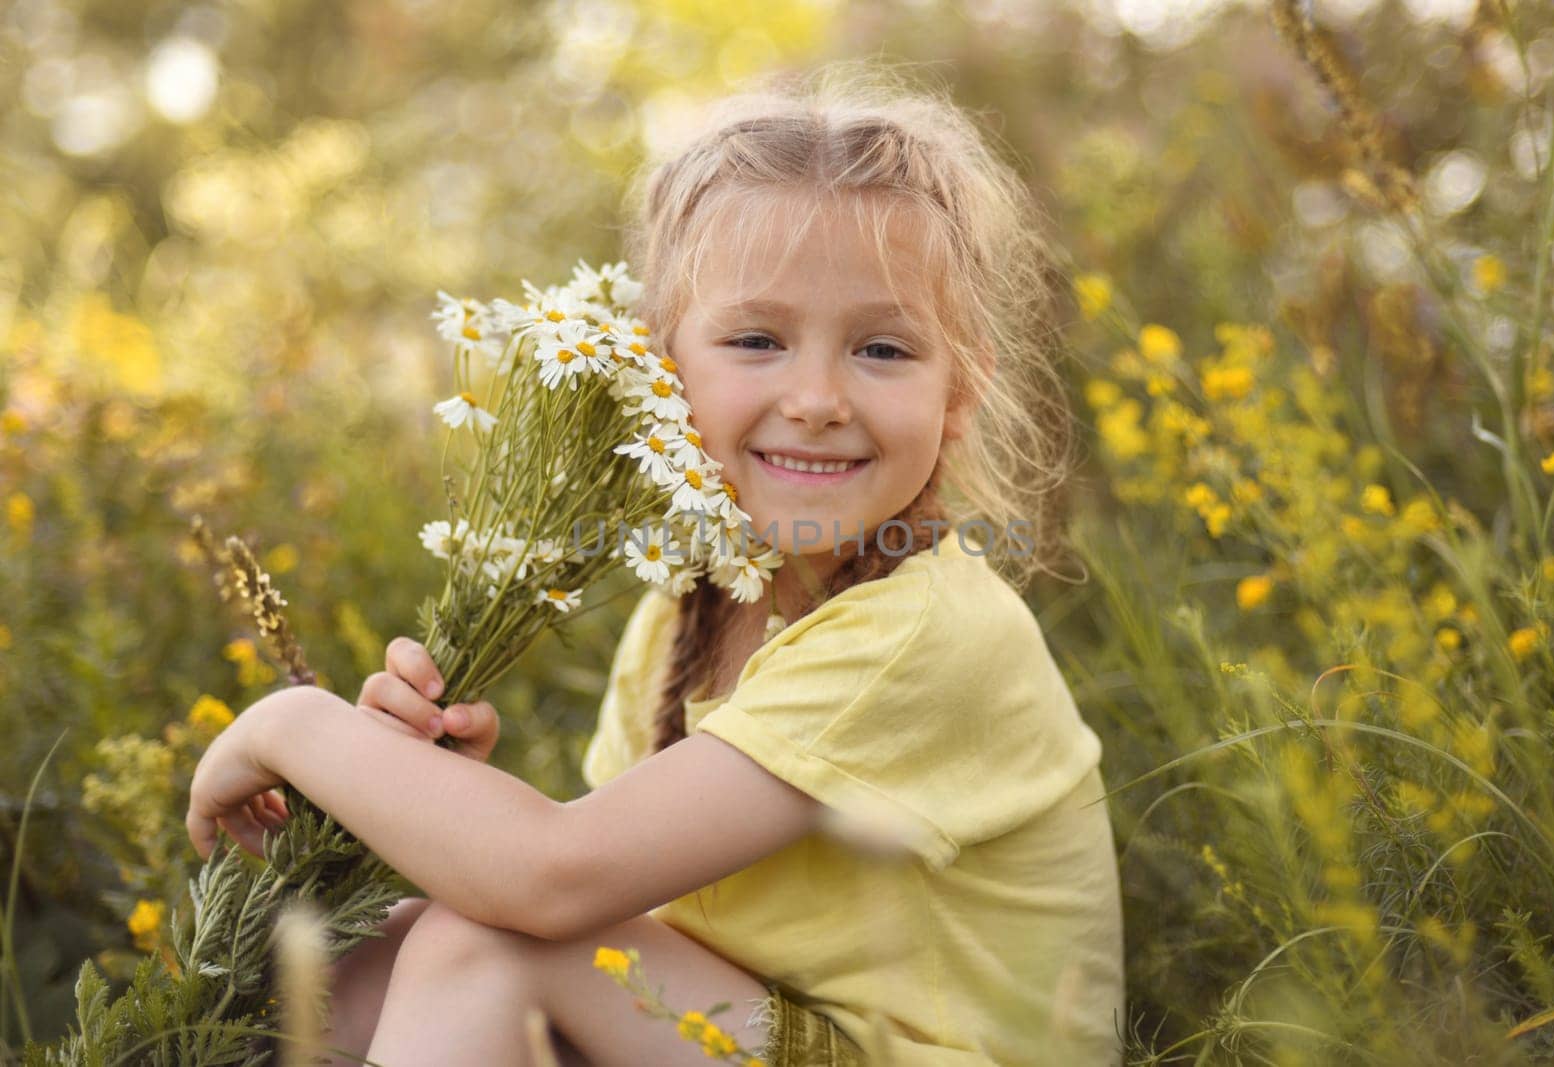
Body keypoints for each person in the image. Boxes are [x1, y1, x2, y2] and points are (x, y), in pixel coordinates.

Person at [186, 61, 1124, 1066]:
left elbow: (554, 880)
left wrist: (297, 725)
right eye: (757, 338)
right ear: (660, 372)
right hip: (774, 1025)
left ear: (960, 390)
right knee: (349, 964)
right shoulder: (689, 608)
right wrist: (425, 794)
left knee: (481, 948)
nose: (815, 396)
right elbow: (598, 889)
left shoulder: (925, 631)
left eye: (883, 350)